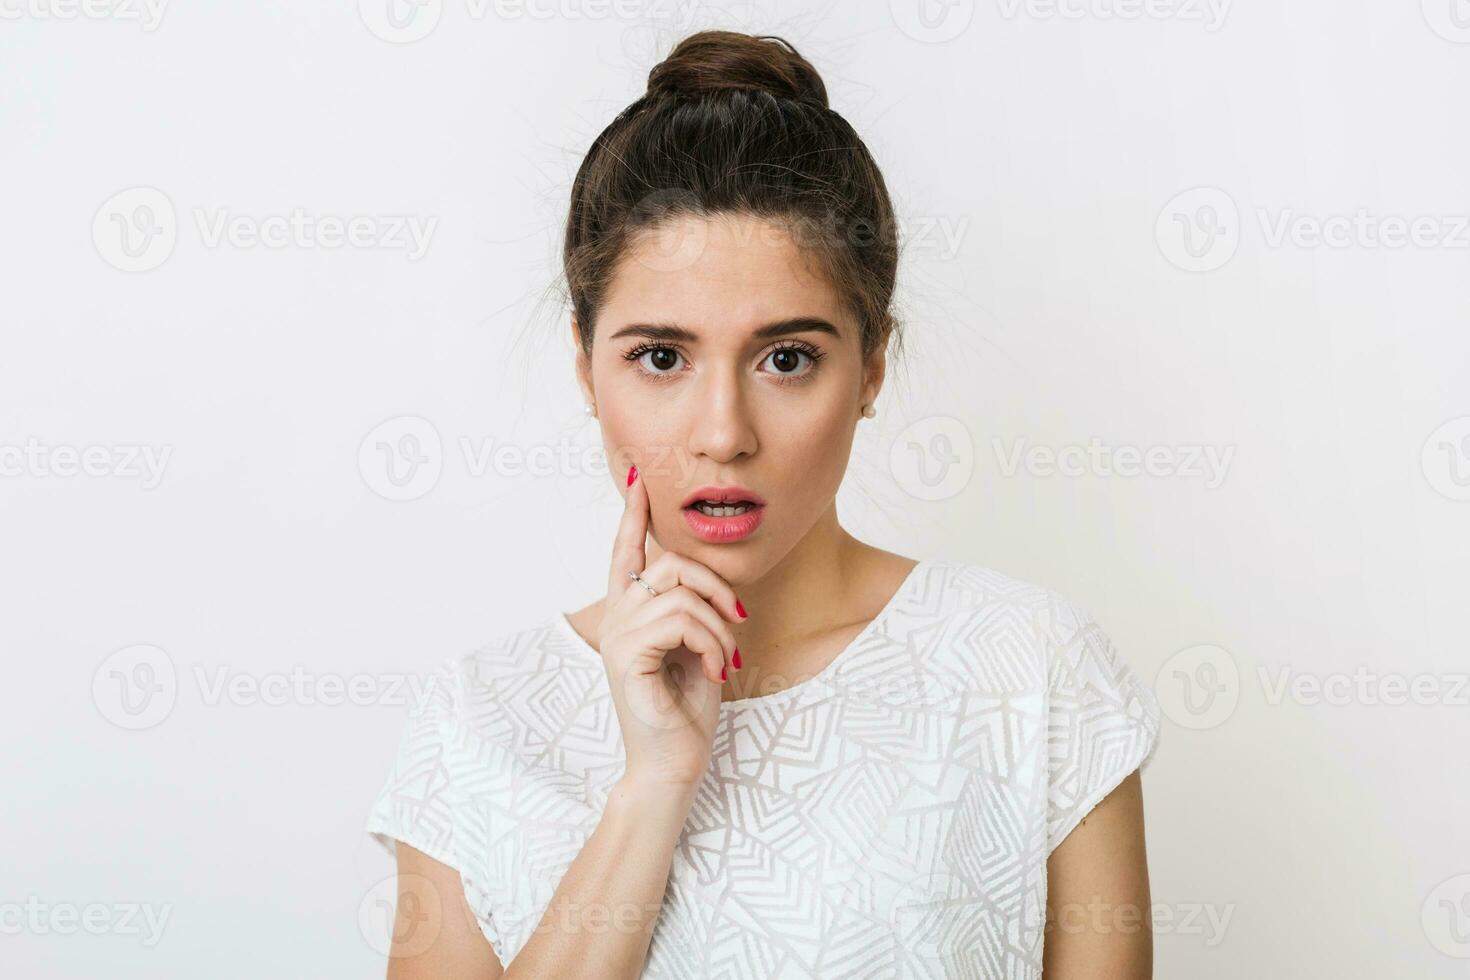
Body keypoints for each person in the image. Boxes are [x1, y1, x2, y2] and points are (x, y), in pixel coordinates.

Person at [365, 29, 1160, 979]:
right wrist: (654, 787)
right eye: (661, 357)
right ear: (586, 368)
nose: (723, 433)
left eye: (787, 359)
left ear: (870, 367)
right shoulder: (480, 720)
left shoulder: (1032, 675)